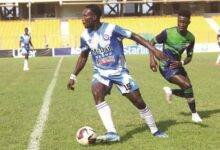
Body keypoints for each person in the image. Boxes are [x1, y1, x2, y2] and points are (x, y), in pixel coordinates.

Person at [67, 4, 169, 142]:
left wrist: (154, 50)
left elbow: (134, 36)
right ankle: (112, 133)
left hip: (120, 72)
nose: (82, 19)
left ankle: (155, 130)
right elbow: (83, 56)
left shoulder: (112, 28)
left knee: (139, 102)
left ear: (95, 17)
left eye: (86, 16)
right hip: (101, 73)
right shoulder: (84, 35)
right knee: (97, 92)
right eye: (82, 16)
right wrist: (73, 76)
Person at [149, 10, 202, 123]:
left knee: (188, 89)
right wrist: (152, 59)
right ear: (177, 20)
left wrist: (181, 63)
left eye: (184, 22)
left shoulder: (190, 38)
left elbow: (189, 57)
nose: (181, 24)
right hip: (166, 66)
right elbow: (151, 42)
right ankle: (194, 114)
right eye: (179, 21)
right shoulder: (167, 33)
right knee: (187, 85)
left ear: (189, 22)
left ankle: (171, 91)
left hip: (177, 65)